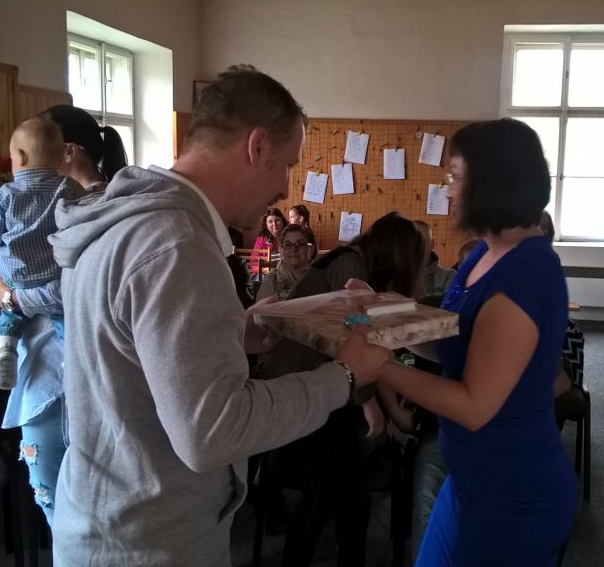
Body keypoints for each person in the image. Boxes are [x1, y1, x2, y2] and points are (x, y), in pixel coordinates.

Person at [46, 64, 392, 566]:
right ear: (257, 146)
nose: (284, 188)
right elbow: (212, 432)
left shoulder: (130, 219)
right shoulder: (177, 245)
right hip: (149, 540)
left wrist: (235, 332)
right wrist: (345, 376)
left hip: (110, 515)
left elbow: (130, 350)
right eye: (286, 165)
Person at [375, 119, 577, 566]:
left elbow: (473, 405)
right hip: (471, 477)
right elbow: (455, 340)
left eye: (455, 177)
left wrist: (381, 366)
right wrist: (378, 314)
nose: (446, 190)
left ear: (491, 184)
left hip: (512, 495)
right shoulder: (485, 254)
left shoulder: (523, 276)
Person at [0, 104, 130, 526]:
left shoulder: (101, 206)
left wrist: (12, 299)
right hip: (43, 363)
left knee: (87, 506)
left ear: (68, 151)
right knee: (53, 500)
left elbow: (81, 288)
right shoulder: (42, 200)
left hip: (79, 373)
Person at [255, 211, 424, 567]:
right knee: (331, 495)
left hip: (314, 387)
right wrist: (369, 403)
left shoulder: (348, 260)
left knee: (347, 494)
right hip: (299, 387)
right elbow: (349, 335)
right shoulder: (350, 264)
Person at [0, 117, 67, 390]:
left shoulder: (7, 193)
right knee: (65, 320)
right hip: (53, 275)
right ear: (61, 157)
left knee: (11, 317)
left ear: (20, 156)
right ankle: (72, 357)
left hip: (16, 278)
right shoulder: (67, 188)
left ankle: (6, 348)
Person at [256, 223, 316, 301]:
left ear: (311, 249)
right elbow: (260, 308)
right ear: (281, 251)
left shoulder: (322, 279)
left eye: (300, 244)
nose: (294, 249)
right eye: (288, 244)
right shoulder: (271, 280)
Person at [413, 220, 456, 299]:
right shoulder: (393, 278)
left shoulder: (449, 277)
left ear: (432, 244)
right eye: (411, 242)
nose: (417, 247)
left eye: (423, 241)